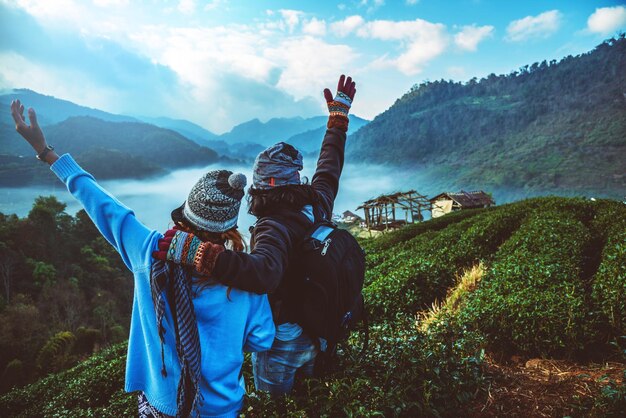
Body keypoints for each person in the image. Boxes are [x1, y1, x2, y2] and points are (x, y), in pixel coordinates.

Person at [9, 99, 275, 418]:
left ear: (184, 217)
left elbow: (101, 203)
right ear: (229, 230)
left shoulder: (149, 251)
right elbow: (261, 339)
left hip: (162, 405)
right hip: (222, 407)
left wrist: (45, 152)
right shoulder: (245, 279)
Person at [153, 75, 356, 396]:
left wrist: (201, 254)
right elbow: (330, 167)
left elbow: (264, 274)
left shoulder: (273, 226)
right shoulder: (318, 199)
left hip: (286, 337)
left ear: (268, 185)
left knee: (272, 406)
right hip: (319, 327)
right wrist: (338, 120)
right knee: (312, 396)